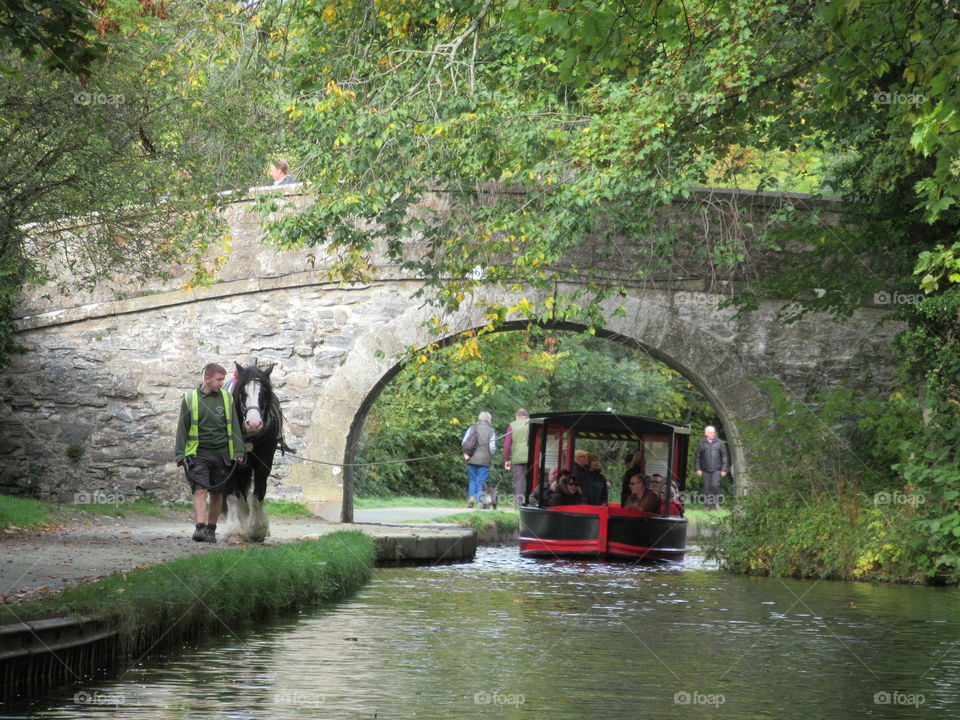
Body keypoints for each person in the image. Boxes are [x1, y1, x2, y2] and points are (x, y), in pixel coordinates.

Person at [174, 363, 245, 543]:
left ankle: (211, 529)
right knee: (200, 490)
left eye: (223, 379)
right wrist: (180, 452)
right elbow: (183, 427)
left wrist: (238, 450)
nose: (222, 383)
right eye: (219, 380)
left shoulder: (226, 398)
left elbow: (235, 425)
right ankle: (200, 528)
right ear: (207, 378)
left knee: (217, 493)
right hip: (199, 454)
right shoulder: (190, 398)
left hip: (222, 453)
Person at [461, 411, 496, 508]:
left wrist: (467, 454)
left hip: (471, 458)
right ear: (489, 420)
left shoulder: (472, 428)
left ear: (479, 418)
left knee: (472, 479)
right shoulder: (491, 431)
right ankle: (480, 502)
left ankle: (471, 497)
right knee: (481, 481)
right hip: (484, 460)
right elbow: (492, 447)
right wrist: (491, 455)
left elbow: (464, 442)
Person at [694, 425, 729, 510]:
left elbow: (724, 456)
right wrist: (697, 468)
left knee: (715, 485)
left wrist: (724, 469)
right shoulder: (701, 443)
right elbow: (697, 457)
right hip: (705, 469)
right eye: (711, 432)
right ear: (706, 433)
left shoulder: (719, 442)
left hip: (717, 469)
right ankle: (708, 506)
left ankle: (716, 503)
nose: (713, 434)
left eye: (714, 432)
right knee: (706, 487)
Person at [503, 408, 530, 507]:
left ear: (517, 417)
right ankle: (531, 503)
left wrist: (507, 459)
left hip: (517, 458)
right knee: (531, 480)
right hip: (531, 456)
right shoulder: (532, 424)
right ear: (527, 416)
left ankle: (519, 504)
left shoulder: (512, 425)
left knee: (519, 481)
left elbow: (507, 444)